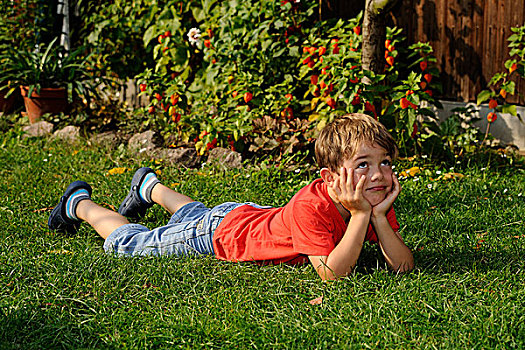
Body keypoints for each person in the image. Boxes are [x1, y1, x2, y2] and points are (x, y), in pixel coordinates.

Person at [48, 113, 414, 280]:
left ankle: (149, 188)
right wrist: (362, 217)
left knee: (198, 214)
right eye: (363, 164)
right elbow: (333, 273)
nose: (378, 175)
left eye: (383, 163)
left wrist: (378, 216)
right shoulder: (312, 205)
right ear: (330, 176)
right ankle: (80, 205)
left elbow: (402, 266)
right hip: (221, 235)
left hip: (241, 216)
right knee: (131, 243)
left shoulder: (372, 199)